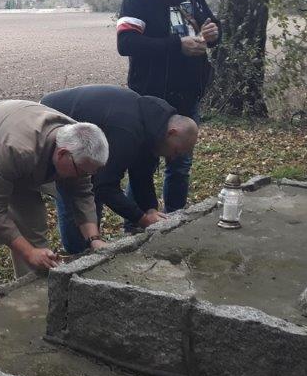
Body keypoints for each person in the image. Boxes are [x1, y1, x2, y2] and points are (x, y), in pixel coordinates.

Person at [0, 100, 109, 294]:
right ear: (62, 155)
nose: (84, 177)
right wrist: (28, 252)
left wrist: (94, 239)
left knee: (33, 225)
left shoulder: (78, 142)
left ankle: (32, 292)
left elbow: (81, 193)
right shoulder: (18, 149)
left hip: (12, 156)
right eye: (82, 171)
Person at [117, 0, 221, 213]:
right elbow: (126, 44)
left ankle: (177, 218)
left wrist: (213, 34)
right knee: (144, 164)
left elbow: (210, 24)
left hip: (188, 94)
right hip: (150, 96)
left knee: (181, 163)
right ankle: (138, 223)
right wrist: (177, 46)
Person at [41, 85, 199, 254]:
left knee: (92, 196)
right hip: (53, 117)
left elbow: (142, 175)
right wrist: (143, 219)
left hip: (93, 126)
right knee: (76, 193)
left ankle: (91, 246)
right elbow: (105, 186)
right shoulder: (128, 130)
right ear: (172, 133)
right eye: (176, 151)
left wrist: (151, 209)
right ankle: (78, 254)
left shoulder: (154, 125)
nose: (173, 158)